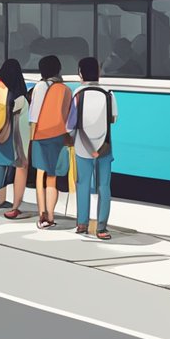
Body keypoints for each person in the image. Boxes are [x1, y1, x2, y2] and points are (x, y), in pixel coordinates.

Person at [68, 56, 118, 239]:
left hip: (83, 147)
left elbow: (70, 125)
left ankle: (82, 224)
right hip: (105, 146)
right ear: (98, 72)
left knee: (83, 183)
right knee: (104, 186)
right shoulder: (108, 93)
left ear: (80, 73)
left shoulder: (78, 94)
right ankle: (102, 228)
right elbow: (113, 118)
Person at [29, 54, 73, 229]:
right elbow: (69, 117)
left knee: (40, 175)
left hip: (41, 134)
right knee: (52, 176)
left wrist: (31, 138)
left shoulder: (40, 86)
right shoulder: (66, 89)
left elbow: (34, 115)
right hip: (59, 135)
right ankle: (51, 216)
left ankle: (42, 215)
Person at [0, 58, 32, 217]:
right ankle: (15, 206)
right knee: (21, 169)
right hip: (16, 138)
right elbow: (24, 124)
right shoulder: (20, 96)